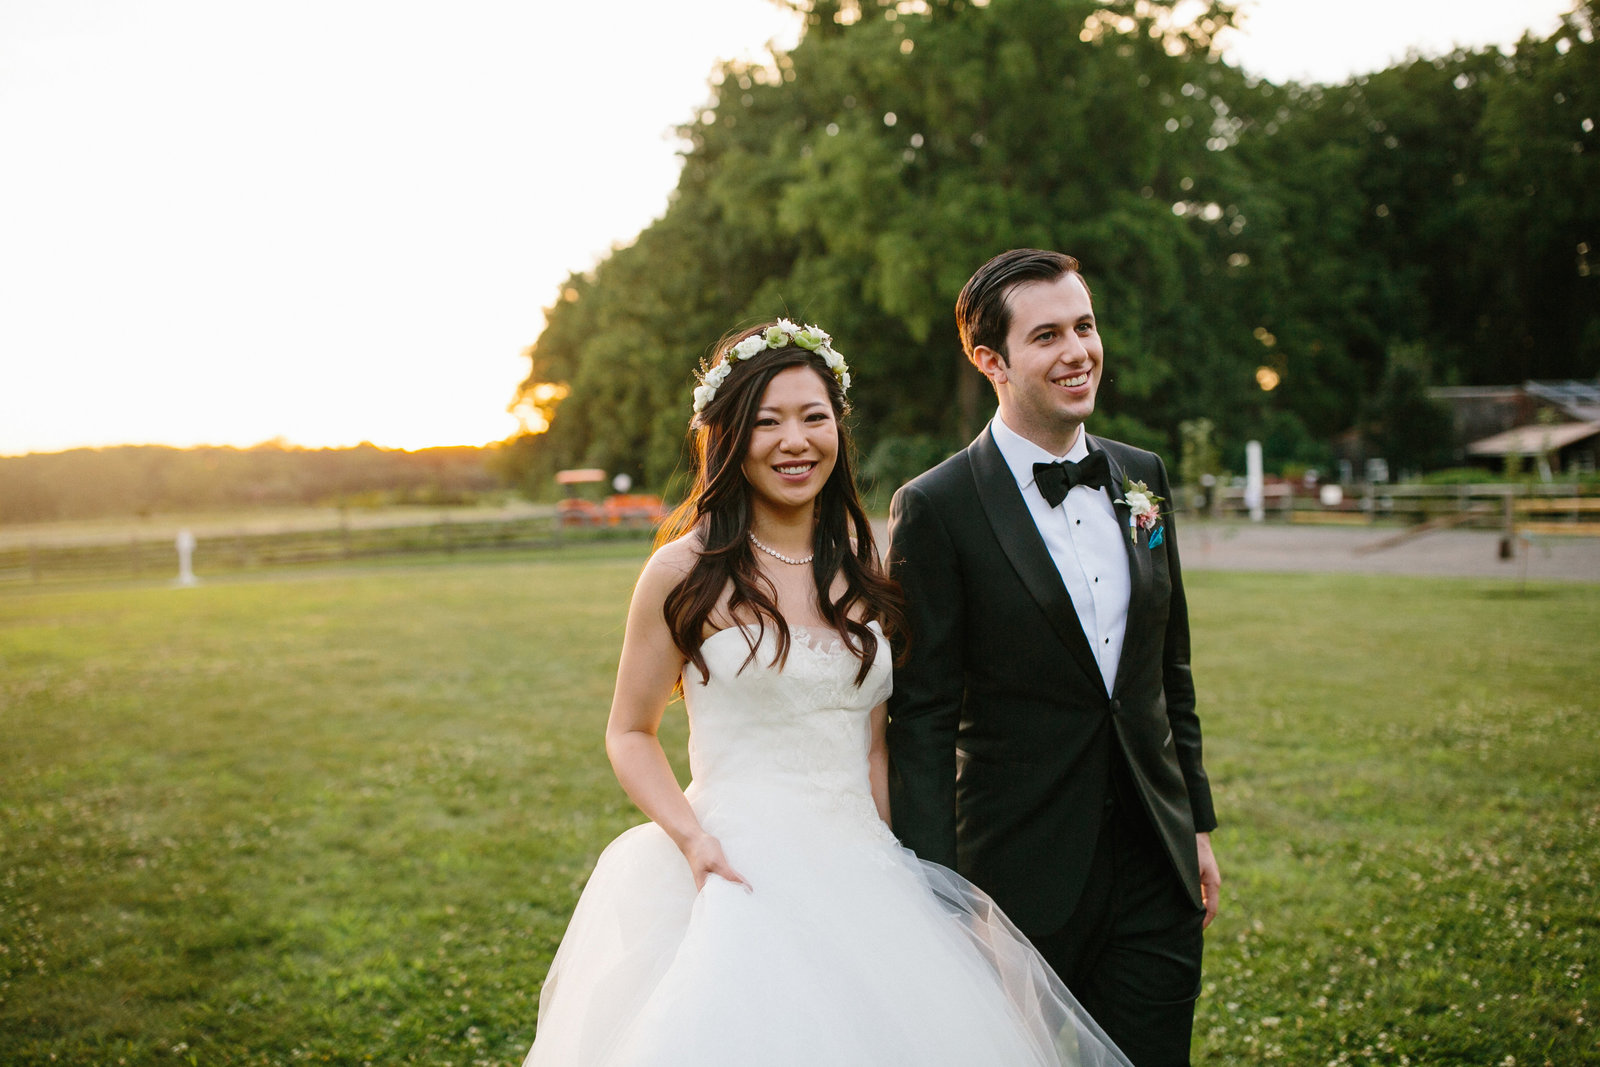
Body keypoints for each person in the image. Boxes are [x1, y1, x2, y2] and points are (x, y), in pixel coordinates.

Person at [524, 319, 1131, 1066]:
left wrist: (919, 877)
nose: (794, 440)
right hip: (735, 867)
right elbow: (628, 731)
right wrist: (691, 838)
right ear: (729, 436)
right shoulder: (684, 572)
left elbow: (876, 744)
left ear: (837, 428)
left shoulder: (868, 570)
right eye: (767, 421)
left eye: (813, 417)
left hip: (865, 864)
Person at [887, 250, 1222, 1067]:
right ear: (990, 360)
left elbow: (1165, 669)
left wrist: (1197, 825)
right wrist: (942, 892)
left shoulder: (1141, 478)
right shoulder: (935, 506)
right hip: (1018, 877)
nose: (1079, 351)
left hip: (1155, 860)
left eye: (1085, 326)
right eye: (1048, 335)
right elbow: (921, 714)